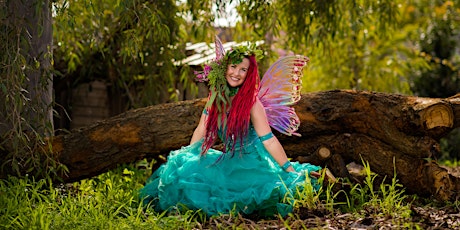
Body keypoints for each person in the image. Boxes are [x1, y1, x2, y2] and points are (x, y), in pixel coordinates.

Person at [139, 37, 326, 217]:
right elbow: (201, 130)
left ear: (248, 74)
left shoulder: (252, 103)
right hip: (227, 159)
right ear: (225, 68)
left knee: (262, 188)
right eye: (233, 67)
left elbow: (268, 140)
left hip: (251, 161)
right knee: (187, 170)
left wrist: (287, 168)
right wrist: (188, 155)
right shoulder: (215, 99)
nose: (236, 73)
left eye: (243, 69)